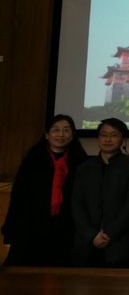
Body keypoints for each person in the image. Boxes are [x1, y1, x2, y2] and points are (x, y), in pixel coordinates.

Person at [2, 114, 88, 266]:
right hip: (32, 226)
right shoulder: (32, 160)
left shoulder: (82, 163)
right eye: (56, 130)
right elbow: (18, 198)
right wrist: (10, 231)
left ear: (72, 135)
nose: (61, 134)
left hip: (66, 228)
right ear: (47, 135)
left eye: (66, 130)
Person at [71, 118, 129, 267]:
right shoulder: (84, 168)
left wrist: (109, 233)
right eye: (104, 135)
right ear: (98, 138)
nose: (108, 139)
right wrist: (91, 235)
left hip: (119, 244)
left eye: (114, 135)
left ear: (122, 139)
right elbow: (77, 205)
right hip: (87, 243)